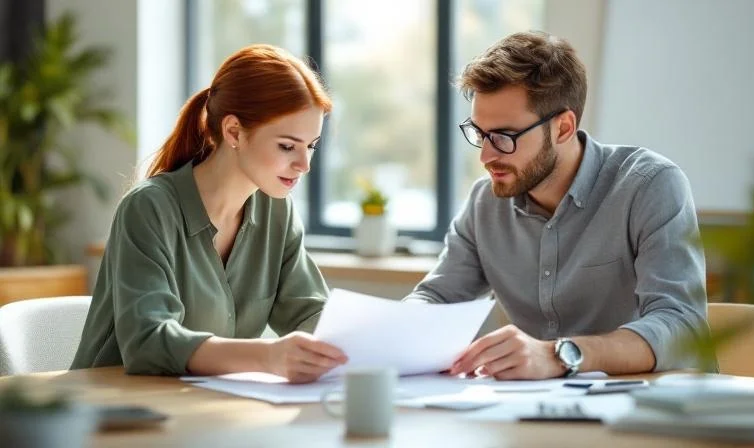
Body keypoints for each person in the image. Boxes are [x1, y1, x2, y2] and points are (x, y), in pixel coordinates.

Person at [404, 31, 709, 379]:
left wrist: (560, 355)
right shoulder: (484, 203)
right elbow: (437, 299)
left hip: (652, 412)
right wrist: (378, 339)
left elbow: (683, 327)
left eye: (504, 137)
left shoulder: (649, 186)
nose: (486, 156)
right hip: (541, 413)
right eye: (480, 134)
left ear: (563, 127)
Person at [71, 45, 347, 383]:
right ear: (233, 132)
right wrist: (267, 356)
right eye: (287, 146)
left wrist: (365, 345)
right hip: (115, 413)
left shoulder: (278, 211)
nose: (304, 165)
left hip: (207, 409)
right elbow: (149, 341)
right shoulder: (149, 208)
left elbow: (311, 313)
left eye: (312, 146)